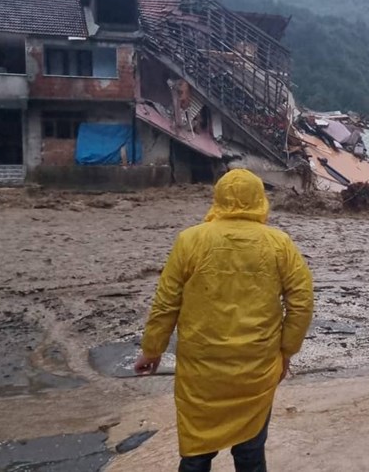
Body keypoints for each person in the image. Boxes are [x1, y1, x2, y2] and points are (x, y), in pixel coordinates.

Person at [134, 168, 314, 472]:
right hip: (257, 365)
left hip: (200, 368)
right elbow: (302, 301)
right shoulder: (279, 243)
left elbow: (166, 302)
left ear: (218, 198)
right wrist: (286, 351)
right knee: (250, 452)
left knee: (197, 452)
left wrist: (152, 350)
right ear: (260, 199)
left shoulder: (190, 240)